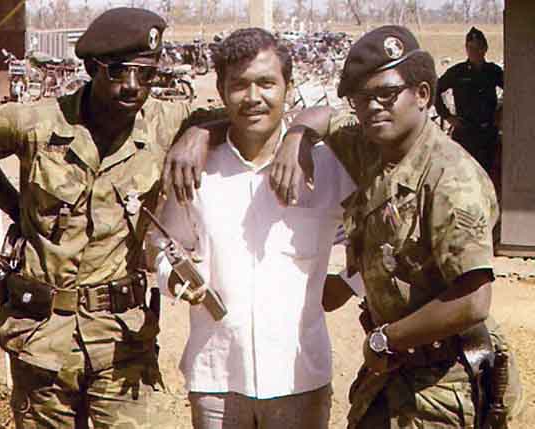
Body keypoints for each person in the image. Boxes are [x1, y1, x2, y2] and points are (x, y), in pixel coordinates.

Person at [164, 25, 522, 429]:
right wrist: (285, 134)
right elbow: (314, 117)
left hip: (443, 379)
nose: (373, 107)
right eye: (361, 97)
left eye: (386, 94)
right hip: (384, 377)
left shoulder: (448, 178)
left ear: (423, 95)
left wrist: (380, 331)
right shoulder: (369, 149)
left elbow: (473, 300)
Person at [0, 7, 215, 428]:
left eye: (145, 74)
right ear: (91, 68)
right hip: (42, 340)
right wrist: (13, 205)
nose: (132, 86)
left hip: (123, 343)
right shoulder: (36, 122)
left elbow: (239, 115)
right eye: (118, 71)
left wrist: (200, 133)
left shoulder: (165, 121)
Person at [153, 28, 360, 429]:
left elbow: (380, 231)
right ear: (220, 89)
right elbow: (163, 241)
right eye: (239, 85)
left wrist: (352, 283)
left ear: (289, 86)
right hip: (217, 376)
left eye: (267, 83)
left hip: (299, 376)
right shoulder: (196, 166)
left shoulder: (327, 165)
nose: (253, 97)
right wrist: (175, 278)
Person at [435, 27, 503, 176]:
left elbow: (515, 93)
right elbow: (435, 91)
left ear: (485, 48)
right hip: (465, 133)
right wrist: (447, 116)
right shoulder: (457, 72)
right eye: (470, 47)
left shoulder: (494, 72)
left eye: (478, 47)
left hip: (488, 134)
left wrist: (501, 112)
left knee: (488, 176)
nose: (474, 51)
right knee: (464, 175)